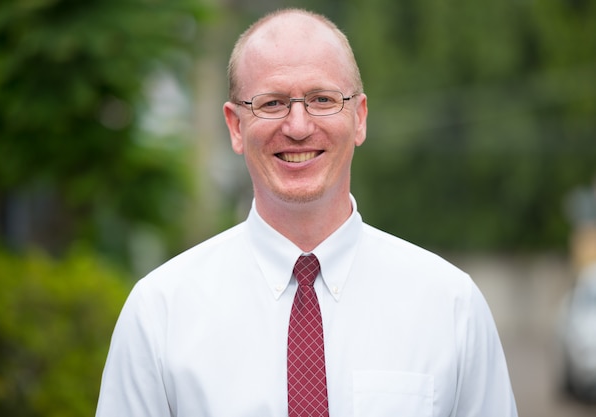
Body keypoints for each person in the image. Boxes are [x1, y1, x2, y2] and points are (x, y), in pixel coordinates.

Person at [96, 8, 518, 417]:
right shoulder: (160, 314)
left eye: (321, 99)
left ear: (360, 117)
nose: (298, 126)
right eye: (272, 103)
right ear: (235, 126)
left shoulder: (450, 307)